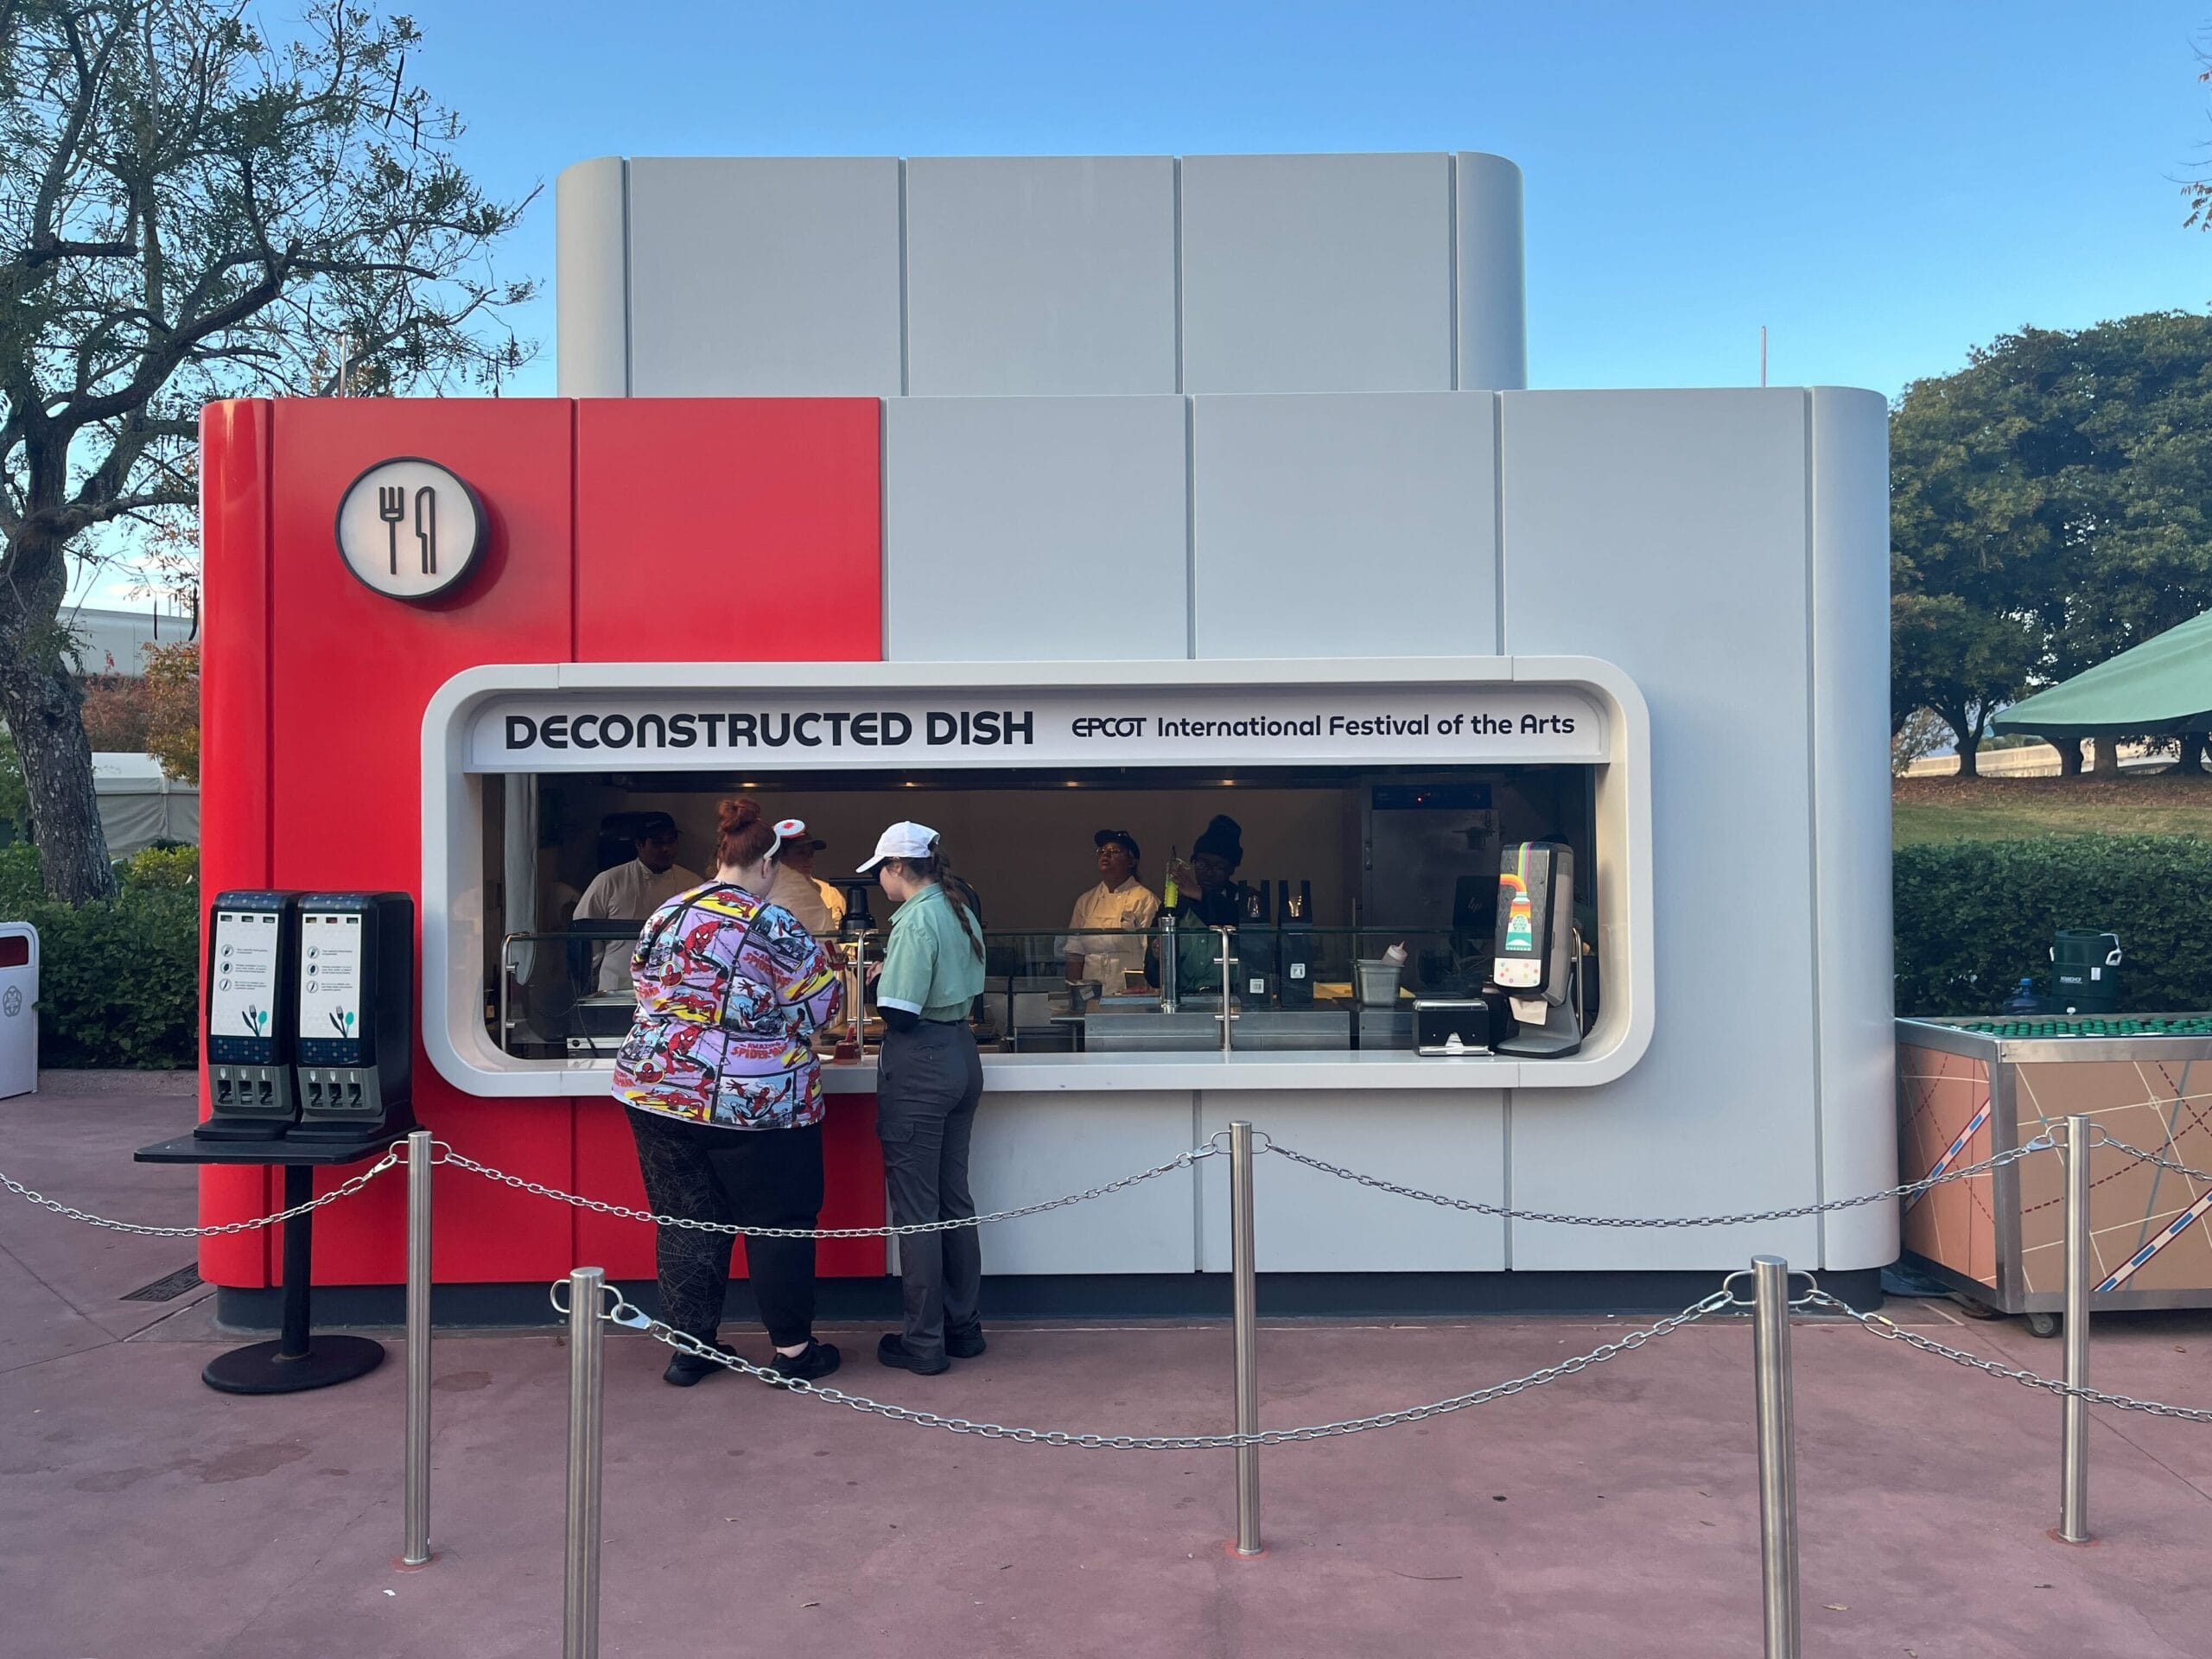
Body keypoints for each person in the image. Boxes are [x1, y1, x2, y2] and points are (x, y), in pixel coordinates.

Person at [611, 801, 845, 1388]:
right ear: (767, 865)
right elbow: (823, 1008)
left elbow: (643, 987)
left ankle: (691, 1349)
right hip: (754, 1102)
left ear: (720, 856)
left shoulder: (666, 912)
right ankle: (792, 1353)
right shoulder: (772, 922)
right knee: (777, 1223)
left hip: (658, 1090)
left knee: (685, 1219)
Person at [856, 820, 988, 1375]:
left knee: (917, 1212)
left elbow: (899, 1013)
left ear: (898, 868)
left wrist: (874, 980)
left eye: (881, 870)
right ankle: (963, 1328)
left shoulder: (914, 922)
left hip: (921, 1065)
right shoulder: (958, 907)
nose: (880, 881)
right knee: (953, 1201)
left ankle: (923, 1342)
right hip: (961, 1054)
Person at [574, 812, 702, 992]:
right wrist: (590, 975)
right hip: (617, 985)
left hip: (674, 989)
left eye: (671, 842)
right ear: (639, 845)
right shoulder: (610, 881)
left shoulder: (692, 884)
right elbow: (584, 931)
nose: (666, 849)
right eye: (657, 843)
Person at [1058, 829, 1160, 992]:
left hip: (1132, 993)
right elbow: (1074, 953)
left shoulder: (1145, 899)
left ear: (1131, 861)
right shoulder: (1086, 901)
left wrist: (1147, 991)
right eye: (1102, 851)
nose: (1106, 855)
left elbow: (1154, 953)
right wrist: (1073, 994)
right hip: (1090, 994)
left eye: (1115, 851)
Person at [1158, 814, 1245, 991]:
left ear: (1232, 870)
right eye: (1203, 864)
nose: (1209, 872)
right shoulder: (1175, 904)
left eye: (1219, 867)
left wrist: (1200, 894)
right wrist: (1156, 955)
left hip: (1232, 998)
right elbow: (1153, 976)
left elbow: (1234, 919)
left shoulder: (1244, 899)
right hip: (1184, 1002)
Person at [766, 821, 848, 937]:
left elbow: (846, 941)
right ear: (779, 857)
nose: (809, 859)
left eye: (811, 853)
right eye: (800, 853)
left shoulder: (829, 892)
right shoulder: (760, 892)